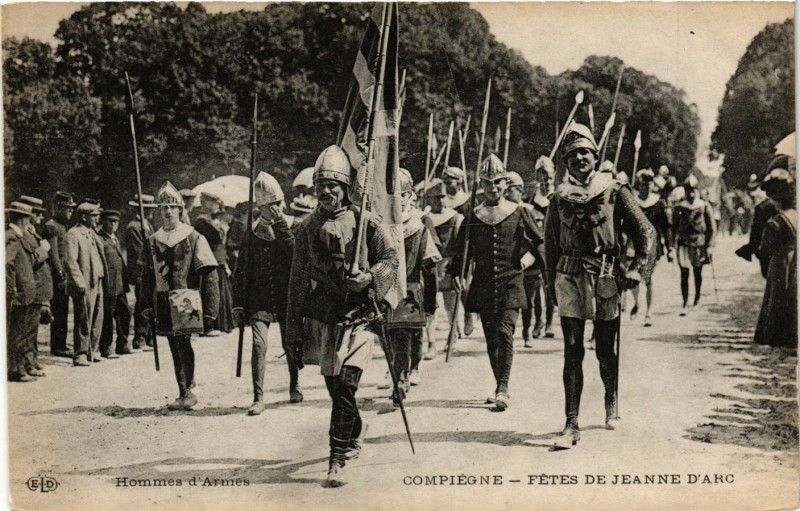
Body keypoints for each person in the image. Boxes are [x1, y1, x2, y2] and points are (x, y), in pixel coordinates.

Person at [285, 145, 399, 487]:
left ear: (345, 187)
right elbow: (298, 281)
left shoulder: (366, 220)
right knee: (338, 390)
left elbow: (390, 261)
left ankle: (337, 458)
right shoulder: (306, 229)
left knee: (348, 385)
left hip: (360, 314)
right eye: (321, 185)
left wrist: (368, 278)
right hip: (324, 318)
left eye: (333, 185)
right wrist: (292, 330)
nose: (327, 191)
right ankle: (355, 431)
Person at [543, 123, 656, 448]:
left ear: (595, 156)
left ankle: (611, 399)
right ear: (565, 161)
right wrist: (552, 286)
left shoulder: (615, 190)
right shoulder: (558, 198)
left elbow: (646, 233)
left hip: (606, 276)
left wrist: (638, 269)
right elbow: (551, 245)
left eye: (585, 152)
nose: (580, 158)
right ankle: (571, 422)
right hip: (569, 277)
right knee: (573, 349)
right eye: (573, 154)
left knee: (605, 350)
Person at [449, 154, 545, 411]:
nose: (493, 188)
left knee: (505, 333)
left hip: (511, 283)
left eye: (498, 183)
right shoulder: (474, 215)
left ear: (505, 184)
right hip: (483, 285)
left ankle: (504, 386)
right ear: (482, 184)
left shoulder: (519, 212)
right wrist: (457, 273)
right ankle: (498, 384)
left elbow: (539, 243)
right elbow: (461, 252)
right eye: (488, 183)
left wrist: (531, 263)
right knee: (491, 339)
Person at [139, 181, 219, 410]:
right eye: (163, 208)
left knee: (183, 343)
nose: (167, 212)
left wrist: (211, 308)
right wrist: (145, 302)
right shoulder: (153, 240)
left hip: (186, 300)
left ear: (180, 210)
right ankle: (183, 389)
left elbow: (209, 273)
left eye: (171, 208)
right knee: (173, 345)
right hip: (163, 300)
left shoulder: (194, 238)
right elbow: (147, 274)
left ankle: (188, 390)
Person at [232, 171, 302, 415]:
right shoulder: (251, 231)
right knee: (259, 345)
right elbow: (241, 269)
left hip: (286, 296)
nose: (273, 209)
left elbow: (296, 257)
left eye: (276, 204)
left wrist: (280, 224)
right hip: (259, 299)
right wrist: (238, 304)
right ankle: (258, 397)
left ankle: (294, 384)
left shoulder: (293, 225)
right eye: (268, 206)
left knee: (290, 342)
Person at [384, 168, 440, 401]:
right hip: (386, 291)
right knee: (390, 338)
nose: (398, 200)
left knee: (408, 337)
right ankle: (400, 373)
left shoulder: (418, 226)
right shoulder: (382, 224)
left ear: (409, 197)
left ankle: (402, 378)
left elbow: (430, 268)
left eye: (402, 195)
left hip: (411, 292)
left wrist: (430, 304)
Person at [505, 171, 550, 346]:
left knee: (528, 301)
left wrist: (528, 259)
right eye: (506, 189)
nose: (508, 193)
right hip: (509, 264)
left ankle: (527, 332)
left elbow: (538, 240)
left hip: (528, 263)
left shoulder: (530, 211)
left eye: (512, 189)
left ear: (521, 191)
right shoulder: (502, 211)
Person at [754, 167, 796, 349]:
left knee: (778, 296)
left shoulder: (778, 220)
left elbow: (765, 247)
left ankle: (775, 334)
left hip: (781, 261)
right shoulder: (795, 215)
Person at [422, 178, 463, 359]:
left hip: (448, 266)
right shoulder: (424, 218)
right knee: (429, 306)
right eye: (436, 197)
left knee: (450, 305)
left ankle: (452, 338)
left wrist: (459, 271)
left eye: (442, 197)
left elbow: (460, 247)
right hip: (430, 268)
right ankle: (432, 342)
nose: (440, 201)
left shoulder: (455, 217)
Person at [7, 202, 48, 381]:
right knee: (17, 333)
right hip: (19, 293)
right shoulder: (11, 237)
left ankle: (21, 366)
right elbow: (7, 265)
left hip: (25, 291)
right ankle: (16, 370)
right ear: (23, 219)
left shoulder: (18, 235)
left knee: (22, 332)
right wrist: (12, 290)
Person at [629, 169, 673, 326]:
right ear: (639, 186)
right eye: (642, 185)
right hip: (634, 246)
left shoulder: (658, 203)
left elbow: (666, 227)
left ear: (652, 185)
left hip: (652, 247)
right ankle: (636, 303)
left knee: (648, 278)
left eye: (648, 185)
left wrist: (670, 247)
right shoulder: (632, 202)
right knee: (633, 278)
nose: (645, 188)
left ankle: (649, 312)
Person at [65, 201, 107, 366]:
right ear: (83, 217)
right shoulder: (73, 234)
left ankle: (92, 350)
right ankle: (80, 353)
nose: (97, 219)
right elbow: (70, 261)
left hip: (97, 280)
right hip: (84, 283)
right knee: (84, 317)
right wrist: (79, 282)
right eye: (94, 216)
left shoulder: (91, 233)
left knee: (97, 316)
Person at [19, 195, 53, 371]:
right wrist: (44, 249)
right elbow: (30, 261)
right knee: (27, 328)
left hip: (39, 288)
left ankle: (32, 358)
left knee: (33, 328)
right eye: (37, 213)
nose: (41, 217)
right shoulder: (24, 234)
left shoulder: (32, 232)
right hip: (32, 287)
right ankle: (27, 362)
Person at [673, 175, 716, 315]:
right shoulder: (679, 207)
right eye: (688, 191)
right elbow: (673, 228)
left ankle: (697, 299)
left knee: (698, 272)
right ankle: (685, 302)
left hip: (699, 243)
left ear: (697, 191)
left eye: (693, 191)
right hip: (684, 244)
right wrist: (672, 246)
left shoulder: (704, 206)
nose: (691, 194)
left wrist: (710, 245)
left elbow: (712, 228)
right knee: (684, 273)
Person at [42, 191, 76, 358]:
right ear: (58, 208)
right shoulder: (52, 226)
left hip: (63, 275)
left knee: (63, 310)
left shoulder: (62, 226)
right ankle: (57, 346)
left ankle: (61, 343)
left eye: (71, 208)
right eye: (67, 208)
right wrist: (61, 276)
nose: (71, 211)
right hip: (56, 277)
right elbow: (54, 255)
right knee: (59, 310)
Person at [442, 165, 474, 336]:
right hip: (446, 249)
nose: (448, 183)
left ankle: (469, 312)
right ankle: (453, 328)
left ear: (460, 181)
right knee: (448, 290)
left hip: (463, 249)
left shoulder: (467, 201)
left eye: (451, 180)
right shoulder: (442, 200)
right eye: (446, 180)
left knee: (463, 285)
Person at [193, 191, 231, 335]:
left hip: (216, 258)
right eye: (215, 203)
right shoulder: (202, 222)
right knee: (210, 291)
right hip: (208, 259)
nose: (218, 206)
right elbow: (215, 238)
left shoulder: (209, 220)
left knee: (216, 291)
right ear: (207, 203)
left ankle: (217, 323)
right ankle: (209, 325)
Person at [98, 210, 132, 357]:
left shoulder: (114, 239)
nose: (113, 224)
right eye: (110, 221)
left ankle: (122, 343)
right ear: (103, 222)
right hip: (108, 285)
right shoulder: (100, 239)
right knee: (107, 317)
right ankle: (106, 347)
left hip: (119, 285)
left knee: (125, 314)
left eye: (115, 222)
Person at [125, 194, 158, 350]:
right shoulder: (134, 227)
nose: (152, 212)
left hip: (150, 270)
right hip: (141, 271)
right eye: (149, 209)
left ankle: (150, 335)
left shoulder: (147, 225)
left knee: (152, 302)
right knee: (142, 303)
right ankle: (140, 337)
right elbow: (139, 251)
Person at [736, 172, 781, 264]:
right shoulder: (777, 203)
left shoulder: (762, 206)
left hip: (766, 243)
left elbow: (756, 229)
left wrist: (753, 245)